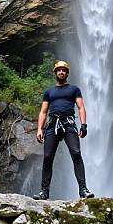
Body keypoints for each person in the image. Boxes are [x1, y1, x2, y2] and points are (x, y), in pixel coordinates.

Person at [33, 60, 94, 200]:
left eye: (64, 70)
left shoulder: (74, 89)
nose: (61, 72)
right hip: (53, 123)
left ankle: (83, 189)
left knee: (76, 153)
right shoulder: (49, 91)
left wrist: (84, 125)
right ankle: (44, 191)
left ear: (67, 73)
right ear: (55, 73)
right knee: (48, 157)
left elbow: (81, 107)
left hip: (68, 123)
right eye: (59, 70)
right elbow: (43, 111)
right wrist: (39, 129)